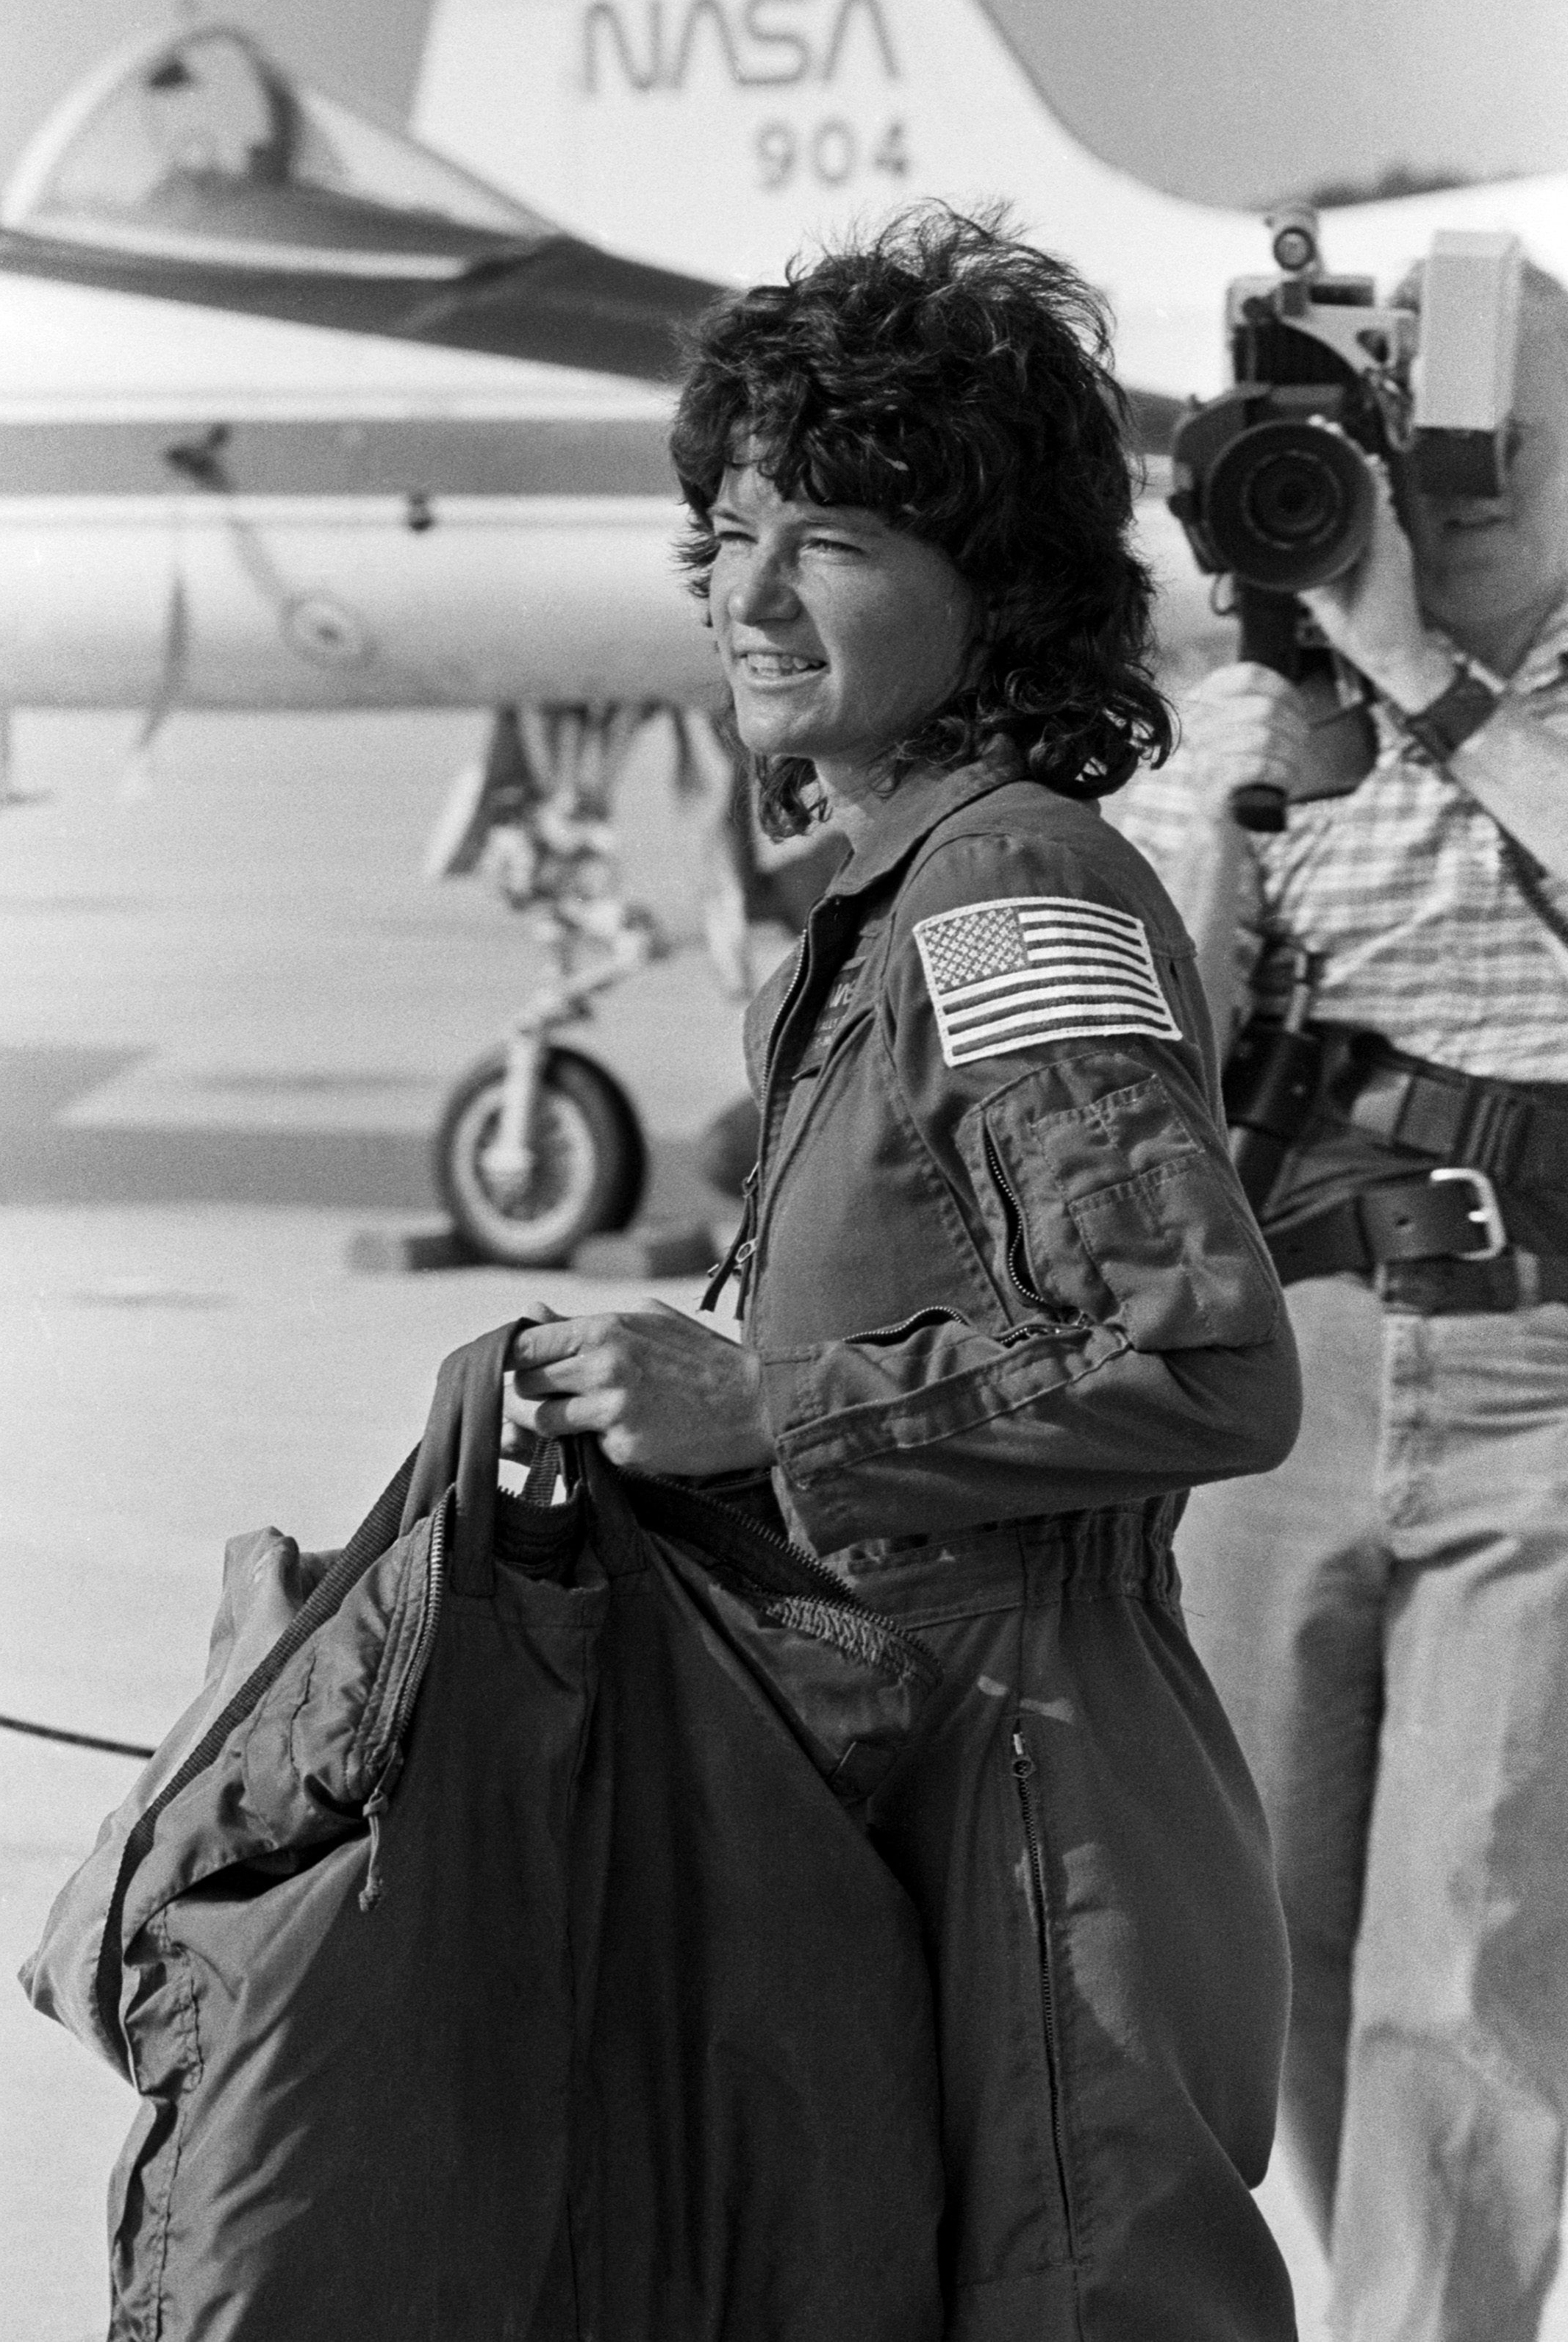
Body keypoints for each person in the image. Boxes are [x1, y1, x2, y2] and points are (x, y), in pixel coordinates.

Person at [507, 207, 1304, 2342]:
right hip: (914, 1769)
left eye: (835, 539)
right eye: (733, 532)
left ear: (1003, 590)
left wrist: (761, 1409)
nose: (751, 597)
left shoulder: (1010, 886)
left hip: (1047, 1815)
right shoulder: (888, 891)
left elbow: (1205, 1360)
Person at [1109, 259, 1568, 2342]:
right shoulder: (1256, 723)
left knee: (1463, 1978)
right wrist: (1219, 800)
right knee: (1262, 1946)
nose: (1458, 506)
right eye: (1430, 465)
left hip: (1549, 1383)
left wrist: (1430, 679)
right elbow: (1139, 1076)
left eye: (1509, 462)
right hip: (1283, 1377)